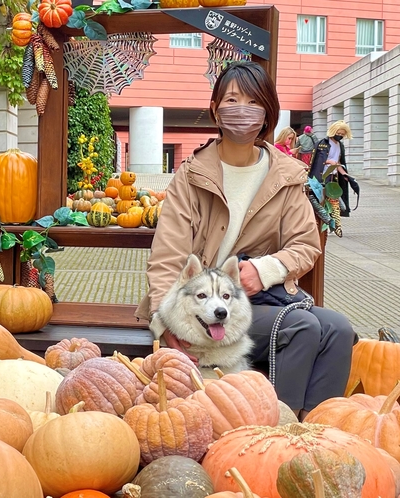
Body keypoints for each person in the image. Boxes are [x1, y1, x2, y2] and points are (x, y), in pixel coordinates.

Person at [135, 61, 357, 421]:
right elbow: (166, 259)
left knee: (338, 329)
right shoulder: (191, 177)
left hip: (257, 300)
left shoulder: (285, 176)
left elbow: (305, 244)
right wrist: (166, 322)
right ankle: (273, 426)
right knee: (304, 326)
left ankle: (315, 425)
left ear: (268, 112)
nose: (242, 110)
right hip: (198, 310)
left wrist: (264, 269)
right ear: (215, 109)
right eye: (232, 100)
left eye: (253, 102)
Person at [310, 121, 353, 217]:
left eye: (342, 134)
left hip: (333, 177)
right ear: (333, 131)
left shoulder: (340, 145)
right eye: (338, 133)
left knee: (334, 204)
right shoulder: (322, 144)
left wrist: (344, 174)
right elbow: (317, 162)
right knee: (320, 203)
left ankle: (330, 223)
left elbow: (338, 162)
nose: (340, 136)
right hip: (322, 177)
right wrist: (330, 162)